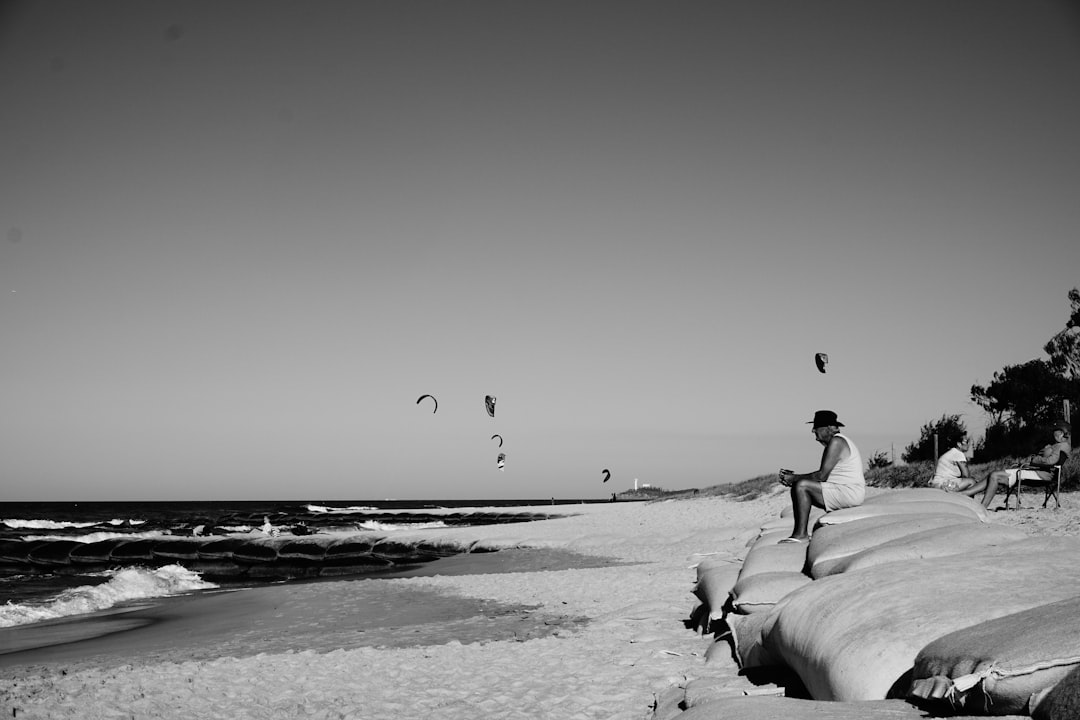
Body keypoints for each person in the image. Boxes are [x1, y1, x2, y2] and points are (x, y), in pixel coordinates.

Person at [778, 410, 865, 543]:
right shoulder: (837, 442)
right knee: (800, 484)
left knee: (801, 486)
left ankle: (800, 535)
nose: (813, 431)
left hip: (849, 493)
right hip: (845, 490)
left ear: (829, 428)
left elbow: (821, 476)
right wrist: (795, 478)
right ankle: (800, 534)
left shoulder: (837, 442)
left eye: (816, 427)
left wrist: (794, 478)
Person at [962, 421, 1071, 508]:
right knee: (993, 475)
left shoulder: (1062, 446)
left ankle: (981, 507)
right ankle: (965, 494)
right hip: (1037, 471)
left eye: (1056, 431)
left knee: (995, 476)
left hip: (1042, 475)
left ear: (1062, 433)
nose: (1053, 434)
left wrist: (1034, 459)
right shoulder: (1058, 445)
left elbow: (1051, 461)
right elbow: (1046, 459)